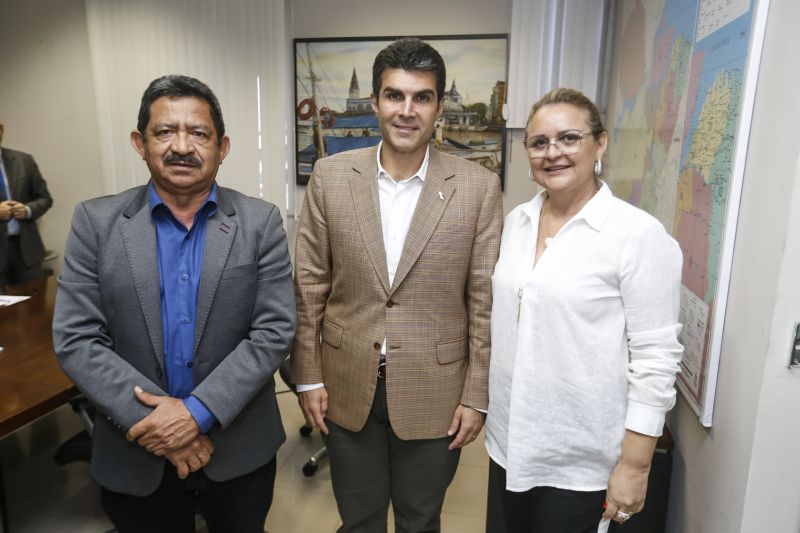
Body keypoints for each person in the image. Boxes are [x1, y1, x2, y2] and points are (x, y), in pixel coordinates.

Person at [52, 75, 296, 533]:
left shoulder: (260, 223)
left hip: (238, 450)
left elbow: (274, 331)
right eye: (164, 132)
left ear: (222, 147)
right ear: (139, 143)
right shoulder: (95, 223)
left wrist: (196, 413)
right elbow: (77, 340)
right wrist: (163, 425)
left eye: (199, 133)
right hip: (136, 452)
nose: (182, 146)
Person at [291, 37, 502, 532]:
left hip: (437, 390)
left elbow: (483, 301)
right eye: (395, 95)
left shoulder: (478, 188)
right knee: (358, 520)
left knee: (420, 520)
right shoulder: (330, 176)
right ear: (375, 101)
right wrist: (308, 376)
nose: (407, 111)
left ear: (439, 106)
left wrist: (476, 395)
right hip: (345, 384)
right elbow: (310, 284)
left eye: (421, 97)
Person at [485, 87, 684, 533]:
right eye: (539, 142)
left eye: (569, 138)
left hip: (581, 460)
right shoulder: (517, 222)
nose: (553, 152)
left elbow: (655, 359)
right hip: (510, 446)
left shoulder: (637, 236)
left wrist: (635, 466)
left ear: (600, 144)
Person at [0, 122, 53, 287]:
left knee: (37, 301)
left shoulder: (24, 161)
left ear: (1, 129)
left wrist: (28, 210)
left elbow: (44, 198)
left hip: (27, 252)